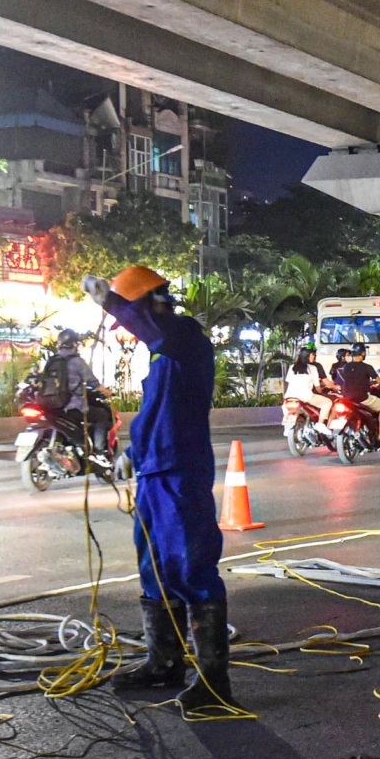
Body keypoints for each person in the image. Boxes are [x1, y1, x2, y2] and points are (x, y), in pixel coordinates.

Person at [84, 266, 240, 715]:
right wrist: (134, 449)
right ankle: (164, 662)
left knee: (191, 567)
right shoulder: (158, 354)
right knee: (154, 567)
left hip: (181, 473)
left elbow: (155, 328)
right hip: (154, 473)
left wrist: (110, 301)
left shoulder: (184, 336)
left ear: (149, 302)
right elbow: (157, 410)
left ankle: (214, 685)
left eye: (129, 315)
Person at [332, 343, 380, 442]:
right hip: (362, 398)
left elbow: (353, 380)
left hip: (347, 398)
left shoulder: (346, 367)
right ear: (362, 353)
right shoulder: (367, 367)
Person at [285, 346, 334, 420]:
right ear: (307, 356)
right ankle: (320, 424)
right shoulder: (313, 368)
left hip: (289, 397)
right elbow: (318, 388)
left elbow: (288, 382)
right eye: (313, 355)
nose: (314, 356)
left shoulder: (292, 367)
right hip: (306, 397)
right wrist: (322, 393)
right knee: (327, 402)